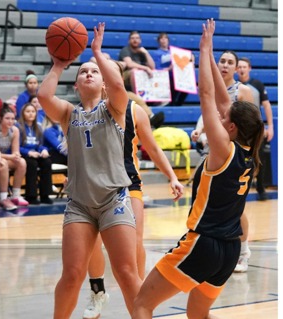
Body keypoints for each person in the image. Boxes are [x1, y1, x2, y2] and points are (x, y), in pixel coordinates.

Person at [131, 19, 265, 319]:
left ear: (229, 126)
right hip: (229, 251)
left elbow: (207, 96)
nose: (220, 110)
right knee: (198, 314)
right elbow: (219, 99)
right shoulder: (247, 153)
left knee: (142, 303)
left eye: (224, 114)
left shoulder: (223, 149)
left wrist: (204, 51)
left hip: (203, 243)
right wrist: (212, 54)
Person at [37, 22, 142, 319]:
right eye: (83, 71)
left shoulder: (115, 108)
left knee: (126, 272)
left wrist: (96, 52)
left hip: (114, 200)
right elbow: (44, 97)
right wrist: (58, 64)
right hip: (80, 204)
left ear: (104, 83)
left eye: (94, 71)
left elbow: (119, 86)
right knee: (71, 274)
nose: (88, 73)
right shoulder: (69, 113)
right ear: (76, 85)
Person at [82, 61, 184, 319]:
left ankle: (138, 298)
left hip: (128, 183)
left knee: (135, 241)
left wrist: (172, 176)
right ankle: (97, 291)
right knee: (91, 243)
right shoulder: (84, 111)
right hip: (93, 187)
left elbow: (153, 147)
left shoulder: (134, 110)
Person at [215, 49, 257, 274]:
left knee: (236, 206)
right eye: (222, 60)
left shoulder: (243, 91)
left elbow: (252, 125)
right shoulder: (212, 89)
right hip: (215, 152)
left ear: (235, 67)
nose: (225, 65)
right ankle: (221, 251)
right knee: (214, 204)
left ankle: (243, 252)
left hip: (237, 154)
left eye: (230, 62)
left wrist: (248, 157)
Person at [237, 57, 274, 201]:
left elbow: (266, 105)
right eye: (239, 67)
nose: (241, 69)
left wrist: (270, 126)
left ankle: (261, 188)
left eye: (244, 67)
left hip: (255, 128)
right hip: (239, 129)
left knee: (259, 159)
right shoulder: (235, 86)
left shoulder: (257, 85)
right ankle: (239, 188)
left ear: (249, 68)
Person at [17, 101, 53, 205]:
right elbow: (16, 147)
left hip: (36, 153)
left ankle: (45, 195)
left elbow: (40, 144)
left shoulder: (38, 127)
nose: (31, 113)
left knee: (47, 162)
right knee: (32, 164)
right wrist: (28, 152)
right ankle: (31, 196)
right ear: (23, 113)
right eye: (28, 111)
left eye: (33, 111)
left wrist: (44, 150)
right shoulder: (18, 127)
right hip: (24, 154)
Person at [150, 32, 194, 106]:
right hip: (166, 78)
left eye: (165, 38)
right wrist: (169, 68)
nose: (164, 40)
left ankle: (179, 104)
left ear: (168, 40)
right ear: (159, 41)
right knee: (174, 84)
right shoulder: (156, 53)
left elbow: (187, 56)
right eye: (161, 38)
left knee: (187, 84)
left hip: (177, 76)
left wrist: (191, 60)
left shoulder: (174, 51)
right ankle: (172, 104)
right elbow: (157, 69)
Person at [0, 106, 29, 208]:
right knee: (3, 163)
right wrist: (11, 156)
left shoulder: (15, 130)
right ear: (0, 119)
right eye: (7, 118)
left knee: (22, 162)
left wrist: (16, 156)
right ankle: (3, 198)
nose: (10, 121)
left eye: (12, 119)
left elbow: (16, 151)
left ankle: (15, 195)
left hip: (4, 157)